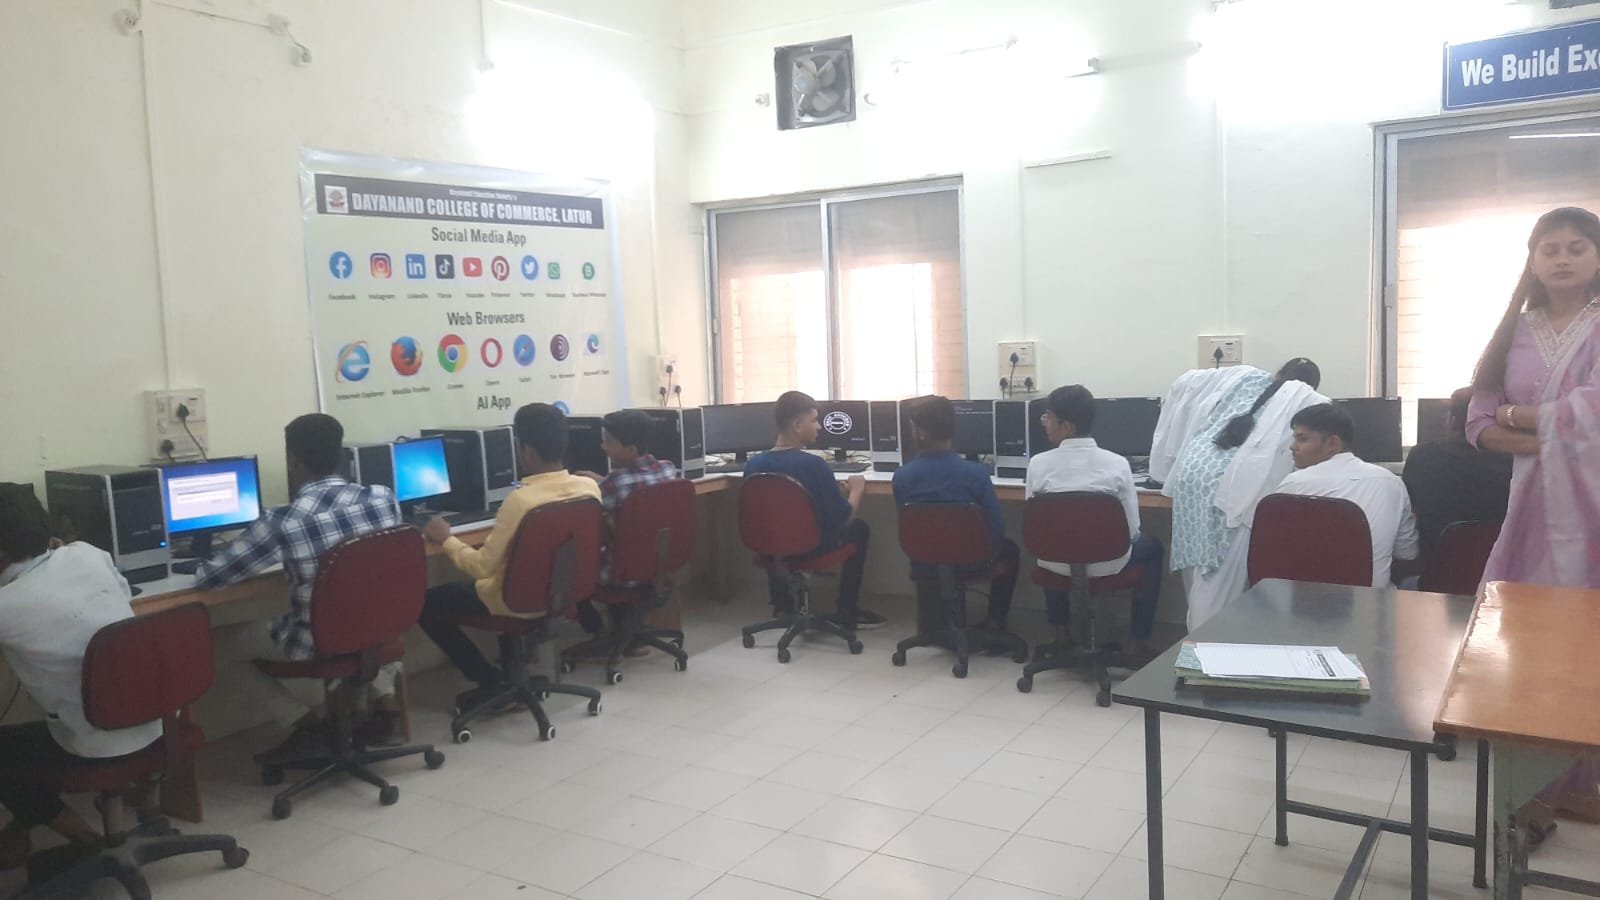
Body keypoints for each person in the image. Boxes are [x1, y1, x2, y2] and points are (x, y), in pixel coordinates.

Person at [1465, 206, 1600, 845]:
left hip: (1592, 515)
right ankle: (1529, 794)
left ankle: (1582, 783)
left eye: (1577, 246)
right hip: (1528, 515)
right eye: (1551, 248)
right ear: (1533, 260)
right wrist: (1538, 432)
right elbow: (1478, 417)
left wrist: (1519, 416)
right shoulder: (1513, 331)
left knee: (1586, 648)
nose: (1563, 258)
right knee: (1521, 645)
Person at [196, 414, 403, 755]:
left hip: (317, 642)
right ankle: (383, 700)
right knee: (367, 609)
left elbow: (211, 578)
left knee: (218, 646)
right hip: (379, 629)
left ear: (293, 461)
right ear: (340, 454)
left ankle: (305, 721)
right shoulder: (383, 499)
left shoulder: (284, 521)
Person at [0, 485, 160, 869]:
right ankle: (21, 830)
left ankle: (86, 841)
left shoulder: (7, 606)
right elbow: (123, 594)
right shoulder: (88, 554)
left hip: (95, 743)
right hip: (158, 723)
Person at [418, 403, 600, 707]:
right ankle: (510, 675)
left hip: (513, 601)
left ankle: (488, 679)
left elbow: (481, 567)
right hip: (563, 594)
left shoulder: (521, 501)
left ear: (526, 451)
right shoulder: (589, 488)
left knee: (426, 604)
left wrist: (446, 539)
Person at [1159, 357, 1327, 630]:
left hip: (1191, 479)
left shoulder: (1245, 377)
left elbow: (1185, 383)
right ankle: (1203, 647)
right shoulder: (1306, 400)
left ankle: (1199, 637)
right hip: (1227, 493)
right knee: (1216, 588)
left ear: (1277, 373)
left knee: (1198, 572)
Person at [1025, 386, 1166, 656]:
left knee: (1056, 541)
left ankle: (1061, 634)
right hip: (1108, 563)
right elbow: (1132, 531)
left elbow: (1036, 526)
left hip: (1055, 563)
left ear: (1066, 426)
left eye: (1048, 417)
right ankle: (1138, 641)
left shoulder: (1038, 464)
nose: (1044, 423)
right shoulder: (1117, 464)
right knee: (1153, 548)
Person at [744, 391, 879, 630]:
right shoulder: (815, 465)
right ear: (797, 425)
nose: (819, 426)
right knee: (858, 528)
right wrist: (856, 491)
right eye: (814, 420)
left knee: (776, 529)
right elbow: (844, 517)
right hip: (813, 547)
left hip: (770, 547)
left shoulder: (754, 465)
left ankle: (783, 606)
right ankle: (847, 610)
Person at [891, 395, 1021, 640]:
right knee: (1010, 549)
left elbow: (907, 526)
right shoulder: (976, 473)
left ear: (922, 434)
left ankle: (937, 626)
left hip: (925, 560)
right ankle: (995, 622)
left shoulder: (902, 476)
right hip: (974, 560)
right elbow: (997, 528)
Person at [1273, 403, 1421, 587]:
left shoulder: (1294, 485)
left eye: (1302, 439)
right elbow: (1407, 552)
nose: (1292, 447)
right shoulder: (1392, 482)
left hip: (1308, 599)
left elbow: (1274, 553)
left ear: (1333, 443)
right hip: (1373, 599)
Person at [570, 409, 678, 650]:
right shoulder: (668, 470)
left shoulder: (613, 485)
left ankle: (597, 629)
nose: (603, 447)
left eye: (609, 442)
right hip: (659, 566)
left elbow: (593, 515)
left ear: (630, 449)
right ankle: (627, 632)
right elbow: (631, 485)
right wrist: (602, 480)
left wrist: (592, 483)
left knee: (570, 565)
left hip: (622, 574)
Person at [1400, 387, 1512, 566]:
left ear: (1452, 421)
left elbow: (1409, 511)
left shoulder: (1421, 458)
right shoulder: (1513, 464)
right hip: (1500, 576)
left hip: (1434, 576)